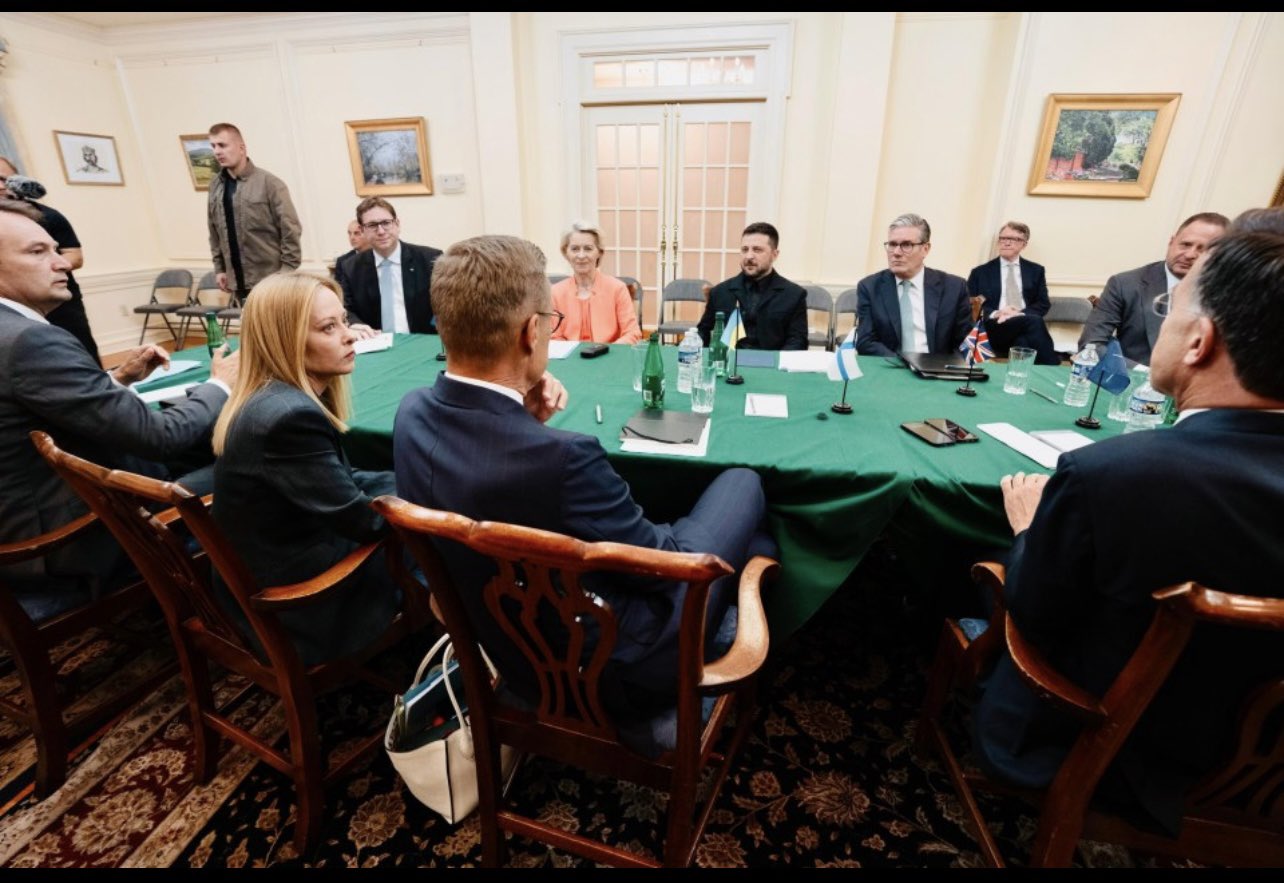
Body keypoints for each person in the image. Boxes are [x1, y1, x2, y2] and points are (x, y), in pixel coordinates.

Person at [973, 207, 1284, 836]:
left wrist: (1030, 531)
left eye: (1172, 314)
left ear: (1199, 342)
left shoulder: (1108, 477)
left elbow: (1032, 613)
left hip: (1100, 749)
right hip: (1267, 776)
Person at [393, 235, 776, 718]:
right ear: (532, 331)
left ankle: (756, 566)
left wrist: (524, 423)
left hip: (497, 639)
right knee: (744, 484)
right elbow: (665, 567)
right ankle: (748, 596)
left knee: (750, 534)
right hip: (616, 662)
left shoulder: (409, 414)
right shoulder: (567, 457)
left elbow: (492, 476)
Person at [0, 199, 237, 602]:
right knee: (257, 464)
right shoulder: (29, 341)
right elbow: (160, 436)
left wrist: (117, 378)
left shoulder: (15, 335)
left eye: (56, 250)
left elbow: (32, 402)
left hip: (23, 517)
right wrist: (221, 384)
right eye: (38, 252)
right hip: (66, 543)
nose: (63, 264)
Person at [210, 272, 402, 665]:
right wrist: (434, 499)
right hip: (301, 605)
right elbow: (366, 523)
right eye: (329, 328)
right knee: (447, 550)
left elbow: (341, 482)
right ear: (287, 340)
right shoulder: (288, 416)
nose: (349, 335)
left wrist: (415, 481)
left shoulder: (273, 397)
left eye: (343, 320)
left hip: (271, 565)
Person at [1078, 212, 1228, 365]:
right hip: (1134, 381)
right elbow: (1092, 345)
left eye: (1202, 250)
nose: (1190, 254)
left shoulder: (1230, 294)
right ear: (1171, 242)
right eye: (1185, 244)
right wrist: (1143, 375)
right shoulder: (1126, 284)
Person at [0, 155, 101, 362]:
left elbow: (74, 256)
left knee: (80, 355)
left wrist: (41, 267)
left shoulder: (48, 216)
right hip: (10, 313)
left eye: (3, 179)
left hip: (56, 302)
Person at [206, 122, 302, 302]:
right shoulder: (215, 187)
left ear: (241, 148)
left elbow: (291, 229)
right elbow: (214, 232)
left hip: (271, 281)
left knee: (277, 331)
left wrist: (286, 273)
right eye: (213, 146)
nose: (217, 152)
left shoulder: (270, 184)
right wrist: (220, 269)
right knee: (250, 330)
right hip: (237, 284)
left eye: (222, 145)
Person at [856, 213, 971, 357]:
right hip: (892, 368)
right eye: (892, 244)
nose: (896, 253)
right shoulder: (870, 287)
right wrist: (905, 364)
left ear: (925, 249)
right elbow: (865, 342)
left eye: (906, 245)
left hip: (936, 370)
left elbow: (965, 343)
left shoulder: (954, 288)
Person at [337, 197, 442, 338]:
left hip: (423, 342)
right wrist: (356, 325)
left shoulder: (430, 259)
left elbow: (447, 305)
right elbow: (345, 309)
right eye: (372, 225)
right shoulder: (351, 267)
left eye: (386, 223)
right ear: (362, 230)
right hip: (375, 346)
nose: (380, 231)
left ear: (397, 224)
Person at [697, 222, 807, 350]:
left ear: (775, 254)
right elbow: (703, 332)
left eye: (757, 250)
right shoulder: (720, 292)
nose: (749, 256)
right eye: (744, 249)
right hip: (729, 364)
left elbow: (797, 341)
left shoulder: (794, 295)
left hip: (771, 365)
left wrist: (778, 365)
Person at [965, 221, 1059, 365]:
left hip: (1024, 324)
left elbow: (1043, 304)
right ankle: (1053, 369)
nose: (1006, 243)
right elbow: (968, 304)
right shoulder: (980, 272)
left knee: (1023, 342)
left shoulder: (1035, 271)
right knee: (1034, 322)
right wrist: (997, 313)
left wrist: (1018, 314)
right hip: (994, 327)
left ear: (1024, 244)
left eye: (1013, 239)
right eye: (1003, 238)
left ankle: (1016, 381)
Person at [549, 220, 641, 345]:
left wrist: (607, 352)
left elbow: (632, 333)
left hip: (609, 357)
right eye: (575, 249)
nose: (581, 256)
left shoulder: (617, 288)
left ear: (599, 252)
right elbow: (554, 336)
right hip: (570, 360)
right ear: (566, 253)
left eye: (588, 249)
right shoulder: (555, 292)